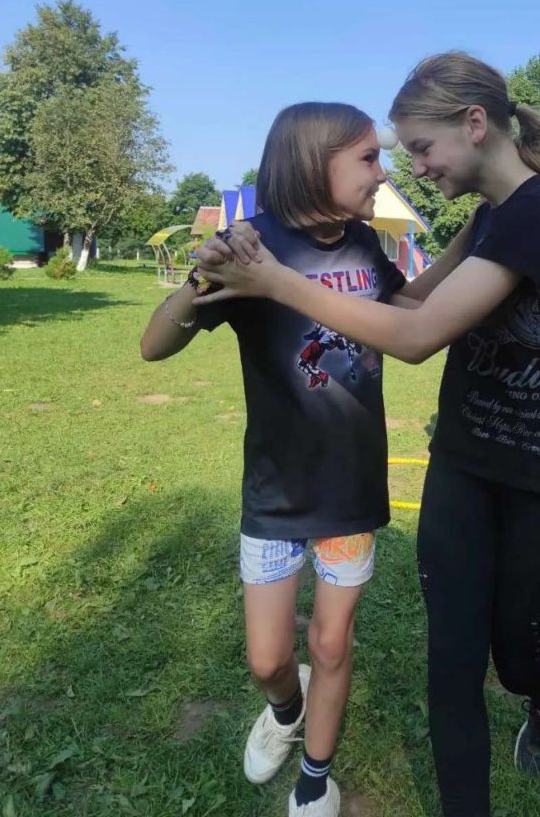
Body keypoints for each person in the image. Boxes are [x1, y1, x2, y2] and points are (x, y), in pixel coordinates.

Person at [195, 52, 540, 817]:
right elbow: (408, 309)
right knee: (451, 668)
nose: (409, 167)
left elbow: (415, 336)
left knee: (516, 657)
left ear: (474, 125)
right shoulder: (488, 219)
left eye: (419, 147)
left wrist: (279, 282)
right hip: (462, 468)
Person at [140, 102, 414, 817]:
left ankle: (316, 778)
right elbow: (154, 347)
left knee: (331, 643)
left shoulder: (363, 242)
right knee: (267, 659)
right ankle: (286, 711)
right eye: (368, 158)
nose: (382, 173)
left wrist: (482, 238)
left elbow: (411, 309)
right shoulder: (250, 245)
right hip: (275, 490)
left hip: (351, 487)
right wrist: (196, 282)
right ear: (313, 164)